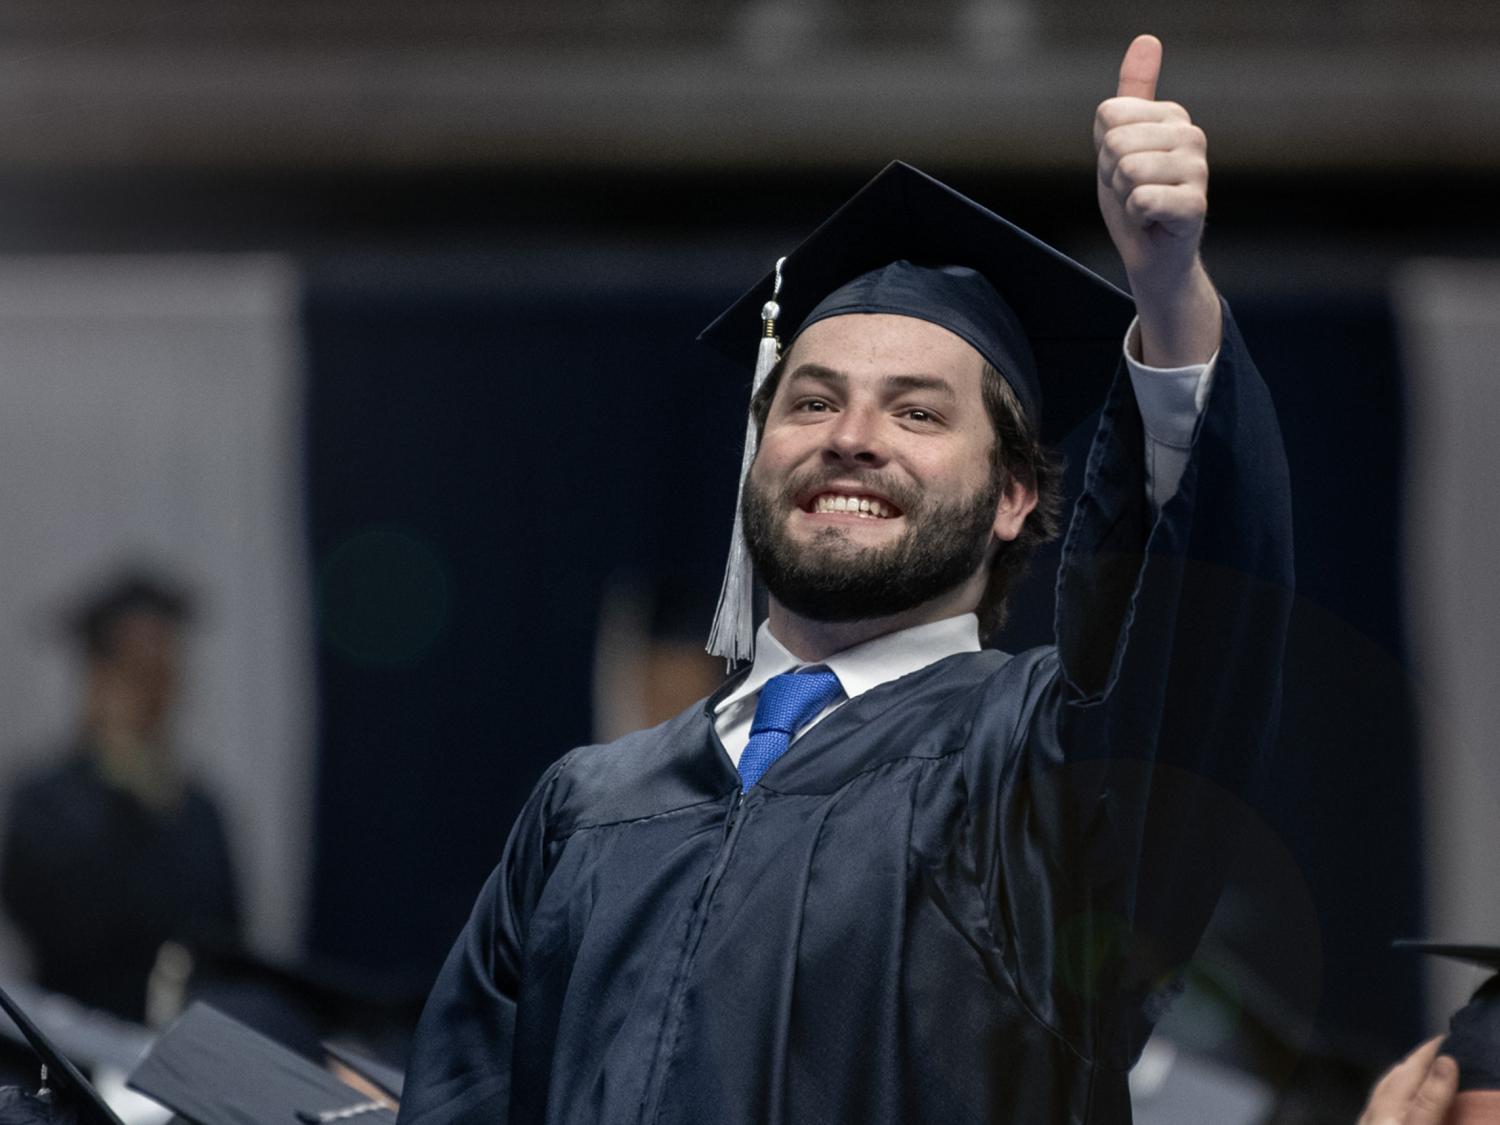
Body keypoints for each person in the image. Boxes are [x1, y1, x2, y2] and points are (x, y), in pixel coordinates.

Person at [397, 33, 1292, 1125]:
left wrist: (1169, 293)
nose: (851, 437)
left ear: (1015, 496)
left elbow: (1201, 623)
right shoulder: (588, 807)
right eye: (810, 402)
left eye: (918, 412)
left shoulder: (1049, 774)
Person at [0, 569, 241, 1023]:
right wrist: (123, 796)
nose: (152, 692)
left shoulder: (199, 806)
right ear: (97, 676)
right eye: (135, 671)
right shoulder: (43, 802)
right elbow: (62, 929)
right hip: (75, 1051)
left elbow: (223, 940)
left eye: (163, 671)